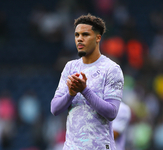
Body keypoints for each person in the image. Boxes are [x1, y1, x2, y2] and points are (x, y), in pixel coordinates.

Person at [51, 14, 124, 150]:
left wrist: (84, 90)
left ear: (98, 38)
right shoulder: (70, 67)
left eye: (85, 34)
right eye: (77, 35)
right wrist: (71, 94)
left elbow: (112, 112)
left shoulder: (111, 69)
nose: (79, 39)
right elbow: (54, 108)